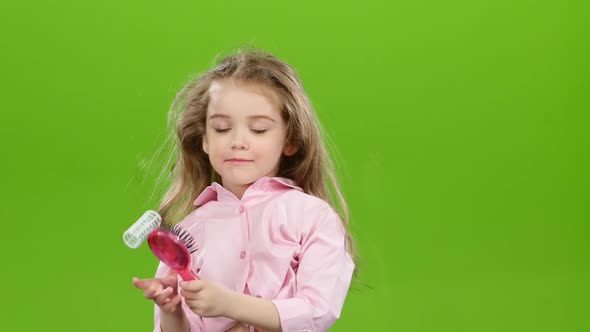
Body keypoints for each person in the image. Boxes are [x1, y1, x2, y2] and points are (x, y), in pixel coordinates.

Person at [133, 49, 356, 332]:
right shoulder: (188, 232)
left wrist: (230, 304)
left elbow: (317, 311)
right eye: (222, 128)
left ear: (290, 140)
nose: (238, 141)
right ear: (204, 139)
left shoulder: (312, 217)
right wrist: (172, 313)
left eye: (259, 129)